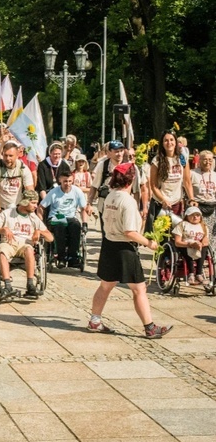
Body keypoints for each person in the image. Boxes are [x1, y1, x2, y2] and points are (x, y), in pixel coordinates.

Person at [89, 162, 172, 338]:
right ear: (131, 178)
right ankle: (150, 327)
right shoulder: (127, 200)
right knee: (139, 289)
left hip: (109, 244)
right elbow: (130, 232)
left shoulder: (110, 195)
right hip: (124, 248)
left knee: (105, 285)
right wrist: (149, 244)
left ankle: (95, 320)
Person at [0, 190, 54, 299]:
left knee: (29, 250)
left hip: (26, 244)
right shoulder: (7, 214)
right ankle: (7, 286)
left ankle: (30, 284)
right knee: (2, 251)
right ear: (25, 202)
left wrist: (39, 231)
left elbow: (50, 238)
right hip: (9, 243)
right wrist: (2, 229)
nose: (35, 206)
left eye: (36, 203)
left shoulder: (33, 217)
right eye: (33, 203)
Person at [87, 140, 147, 236]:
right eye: (116, 151)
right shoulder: (103, 165)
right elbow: (94, 186)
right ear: (109, 152)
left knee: (125, 232)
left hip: (125, 205)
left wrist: (138, 207)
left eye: (121, 151)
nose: (119, 154)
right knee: (107, 234)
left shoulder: (131, 167)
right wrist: (89, 203)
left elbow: (137, 190)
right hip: (106, 205)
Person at [40, 170, 88, 268]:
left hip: (70, 216)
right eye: (65, 181)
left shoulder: (77, 191)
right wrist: (40, 223)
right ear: (60, 181)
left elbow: (83, 208)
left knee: (76, 226)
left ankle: (73, 257)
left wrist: (85, 223)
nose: (68, 184)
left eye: (70, 181)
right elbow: (41, 207)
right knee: (60, 226)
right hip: (56, 216)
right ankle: (60, 257)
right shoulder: (54, 192)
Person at [149, 131, 195, 221]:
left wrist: (192, 199)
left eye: (171, 140)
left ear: (176, 142)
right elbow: (153, 185)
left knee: (176, 233)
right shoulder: (157, 160)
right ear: (162, 143)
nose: (169, 143)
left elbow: (187, 181)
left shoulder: (182, 158)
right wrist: (163, 200)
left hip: (176, 203)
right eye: (166, 140)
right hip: (160, 203)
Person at [0, 141, 35, 215]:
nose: (7, 158)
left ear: (17, 155)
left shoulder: (23, 168)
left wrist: (28, 208)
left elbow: (30, 191)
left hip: (17, 207)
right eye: (5, 155)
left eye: (10, 156)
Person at [173, 206, 209, 285]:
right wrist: (190, 244)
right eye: (192, 215)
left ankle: (199, 273)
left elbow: (206, 241)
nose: (195, 217)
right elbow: (177, 242)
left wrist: (200, 244)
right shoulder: (182, 225)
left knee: (204, 248)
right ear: (187, 216)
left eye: (197, 215)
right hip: (184, 245)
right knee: (188, 250)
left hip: (198, 247)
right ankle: (191, 273)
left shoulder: (203, 226)